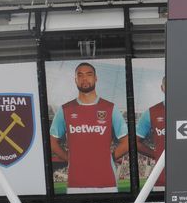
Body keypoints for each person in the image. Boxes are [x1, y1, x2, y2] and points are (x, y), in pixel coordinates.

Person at [49, 62, 129, 193]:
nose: (84, 79)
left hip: (107, 182)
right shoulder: (65, 110)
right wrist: (69, 158)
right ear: (75, 80)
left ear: (96, 78)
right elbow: (52, 142)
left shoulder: (110, 108)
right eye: (80, 75)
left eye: (89, 74)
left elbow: (126, 142)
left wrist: (109, 157)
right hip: (76, 183)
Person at [136, 76, 166, 190]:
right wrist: (156, 154)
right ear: (162, 88)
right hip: (162, 179)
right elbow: (136, 142)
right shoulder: (151, 112)